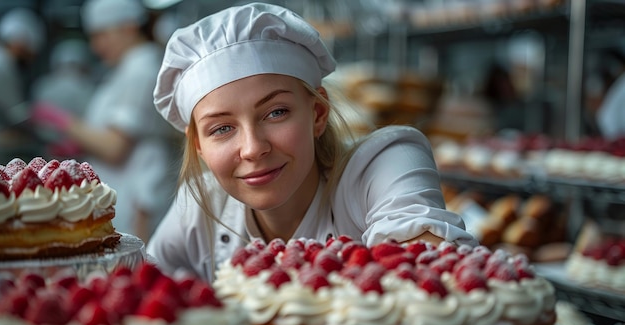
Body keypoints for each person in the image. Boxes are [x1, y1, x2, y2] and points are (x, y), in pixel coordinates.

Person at [147, 2, 476, 282]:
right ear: (199, 145)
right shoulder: (201, 206)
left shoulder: (383, 164)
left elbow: (429, 277)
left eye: (276, 112)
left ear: (318, 113)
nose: (252, 148)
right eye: (221, 129)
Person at [29, 0, 178, 244]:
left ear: (129, 27)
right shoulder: (127, 69)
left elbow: (114, 148)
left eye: (101, 35)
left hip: (135, 199)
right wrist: (81, 146)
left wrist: (64, 122)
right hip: (119, 196)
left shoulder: (142, 70)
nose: (96, 47)